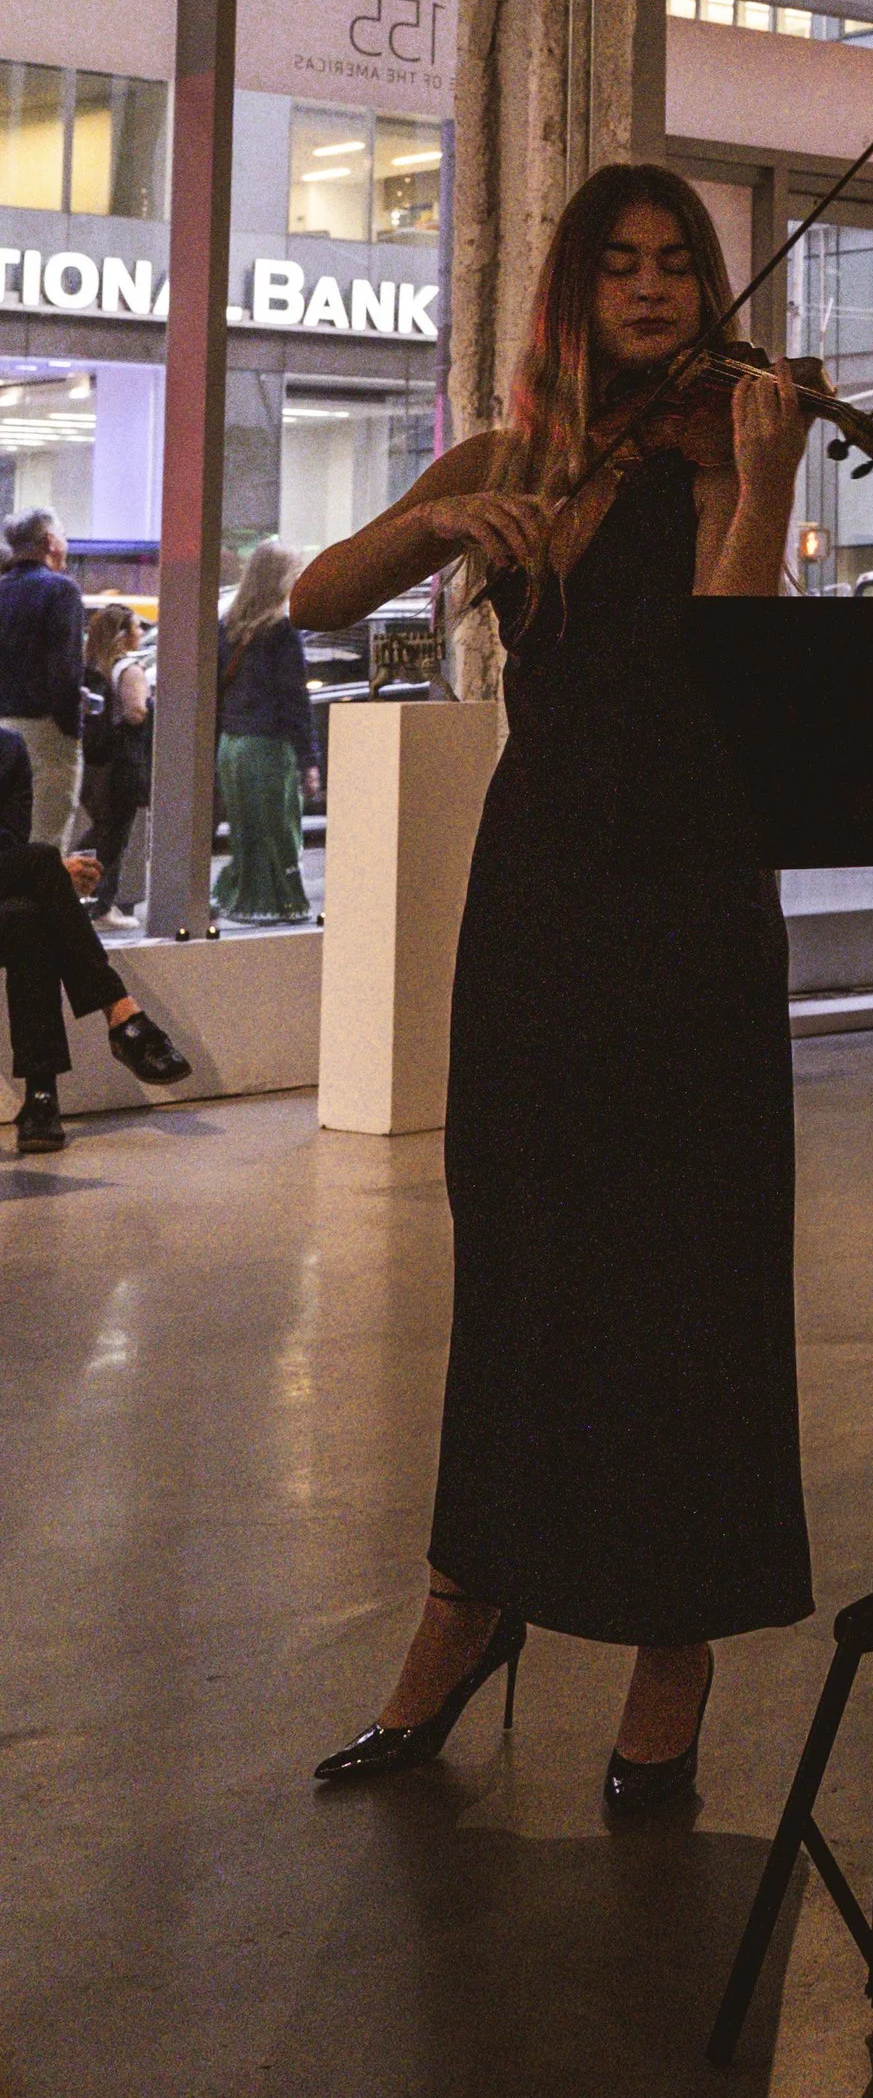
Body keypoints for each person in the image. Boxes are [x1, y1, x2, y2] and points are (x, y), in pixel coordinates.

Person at [294, 161, 813, 1815]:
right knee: (518, 1257)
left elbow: (730, 667)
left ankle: (676, 1652)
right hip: (541, 901)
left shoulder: (733, 442)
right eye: (621, 266)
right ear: (575, 294)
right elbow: (311, 600)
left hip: (690, 898)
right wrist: (442, 518)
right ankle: (470, 1605)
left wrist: (768, 484)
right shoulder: (512, 458)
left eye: (677, 266)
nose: (653, 291)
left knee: (689, 1270)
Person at [0, 722, 191, 1151]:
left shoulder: (7, 748)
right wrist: (45, 870)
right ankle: (122, 1016)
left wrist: (37, 871)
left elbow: (9, 845)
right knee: (44, 863)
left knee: (30, 920)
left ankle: (41, 1100)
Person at [211, 545, 319, 925]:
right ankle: (282, 903)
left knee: (246, 830)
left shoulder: (228, 627)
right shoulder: (282, 631)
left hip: (232, 745)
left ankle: (242, 898)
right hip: (268, 747)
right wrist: (309, 760)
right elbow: (294, 700)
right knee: (279, 830)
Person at [0, 510, 87, 850]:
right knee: (45, 840)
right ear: (50, 541)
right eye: (63, 536)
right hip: (43, 732)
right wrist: (71, 728)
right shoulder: (61, 591)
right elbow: (63, 671)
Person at [77, 602, 151, 926]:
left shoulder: (90, 666)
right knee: (114, 833)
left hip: (94, 760)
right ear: (122, 635)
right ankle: (101, 905)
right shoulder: (128, 669)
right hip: (123, 761)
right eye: (136, 626)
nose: (141, 632)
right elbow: (136, 712)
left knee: (102, 829)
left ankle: (91, 897)